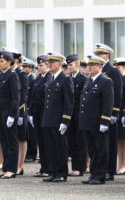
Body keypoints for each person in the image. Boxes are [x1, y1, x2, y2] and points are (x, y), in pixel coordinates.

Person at [80, 55, 114, 185]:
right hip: (87, 121)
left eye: (92, 65)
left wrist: (105, 121)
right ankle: (93, 173)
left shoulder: (105, 81)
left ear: (100, 67)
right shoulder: (89, 80)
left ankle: (100, 175)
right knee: (92, 149)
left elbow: (108, 103)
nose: (89, 67)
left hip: (98, 122)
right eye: (88, 65)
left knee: (101, 149)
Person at [41, 52, 74, 182]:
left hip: (59, 119)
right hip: (48, 119)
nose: (49, 65)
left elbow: (68, 102)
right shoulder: (50, 78)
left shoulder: (65, 79)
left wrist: (65, 121)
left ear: (59, 64)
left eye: (52, 63)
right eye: (48, 62)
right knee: (50, 147)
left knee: (60, 147)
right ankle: (53, 171)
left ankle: (61, 173)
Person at [94, 43, 122, 181]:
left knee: (110, 143)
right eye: (97, 54)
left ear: (107, 56)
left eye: (101, 54)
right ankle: (100, 168)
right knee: (100, 143)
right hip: (97, 113)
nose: (98, 56)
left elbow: (117, 94)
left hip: (109, 113)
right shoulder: (96, 70)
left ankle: (110, 170)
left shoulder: (113, 71)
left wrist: (114, 113)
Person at [0, 50, 20, 179]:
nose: (0, 63)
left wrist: (12, 115)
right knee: (4, 141)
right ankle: (5, 167)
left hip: (8, 112)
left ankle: (12, 169)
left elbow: (15, 97)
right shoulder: (3, 75)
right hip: (0, 111)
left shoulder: (12, 75)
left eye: (2, 61)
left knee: (11, 142)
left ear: (9, 62)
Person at [29, 55, 52, 177]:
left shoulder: (49, 78)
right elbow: (32, 97)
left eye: (41, 65)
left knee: (47, 142)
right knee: (41, 143)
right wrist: (31, 113)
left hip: (45, 114)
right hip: (37, 114)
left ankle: (48, 168)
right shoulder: (38, 79)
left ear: (48, 66)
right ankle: (43, 167)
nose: (39, 67)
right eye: (38, 65)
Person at [66, 54, 87, 177]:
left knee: (80, 142)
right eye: (68, 65)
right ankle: (74, 167)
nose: (69, 67)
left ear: (77, 64)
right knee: (72, 141)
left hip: (79, 114)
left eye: (71, 64)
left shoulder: (83, 79)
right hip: (70, 114)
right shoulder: (69, 79)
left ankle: (80, 167)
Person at [113, 57, 125, 175]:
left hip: (124, 113)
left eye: (119, 67)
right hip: (118, 113)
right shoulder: (118, 80)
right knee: (119, 140)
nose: (117, 70)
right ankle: (120, 164)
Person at [22, 58, 38, 163]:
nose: (23, 68)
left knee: (32, 133)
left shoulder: (32, 80)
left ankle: (32, 154)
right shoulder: (24, 78)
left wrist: (29, 108)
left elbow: (31, 95)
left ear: (31, 69)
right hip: (24, 107)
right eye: (23, 66)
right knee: (26, 133)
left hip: (29, 107)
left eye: (26, 67)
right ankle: (27, 153)